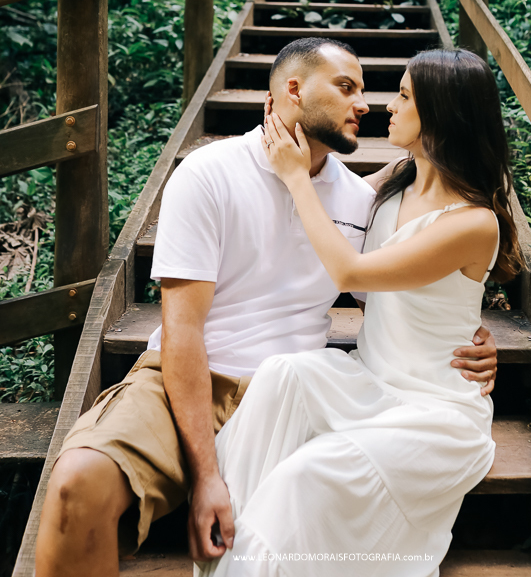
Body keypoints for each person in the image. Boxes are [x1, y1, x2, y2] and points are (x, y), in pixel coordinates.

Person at [34, 38, 498, 577]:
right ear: (292, 91)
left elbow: (413, 283)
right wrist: (206, 475)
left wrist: (472, 336)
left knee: (302, 486)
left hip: (298, 394)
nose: (370, 105)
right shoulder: (210, 172)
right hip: (195, 379)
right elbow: (181, 328)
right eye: (348, 88)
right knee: (75, 483)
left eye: (387, 93)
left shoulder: (361, 198)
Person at [197, 48, 523, 577]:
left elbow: (350, 273)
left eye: (403, 95)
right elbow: (334, 205)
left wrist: (295, 176)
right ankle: (227, 542)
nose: (384, 106)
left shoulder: (475, 223)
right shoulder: (401, 173)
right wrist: (285, 157)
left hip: (433, 409)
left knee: (307, 474)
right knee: (284, 375)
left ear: (441, 112)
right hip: (372, 381)